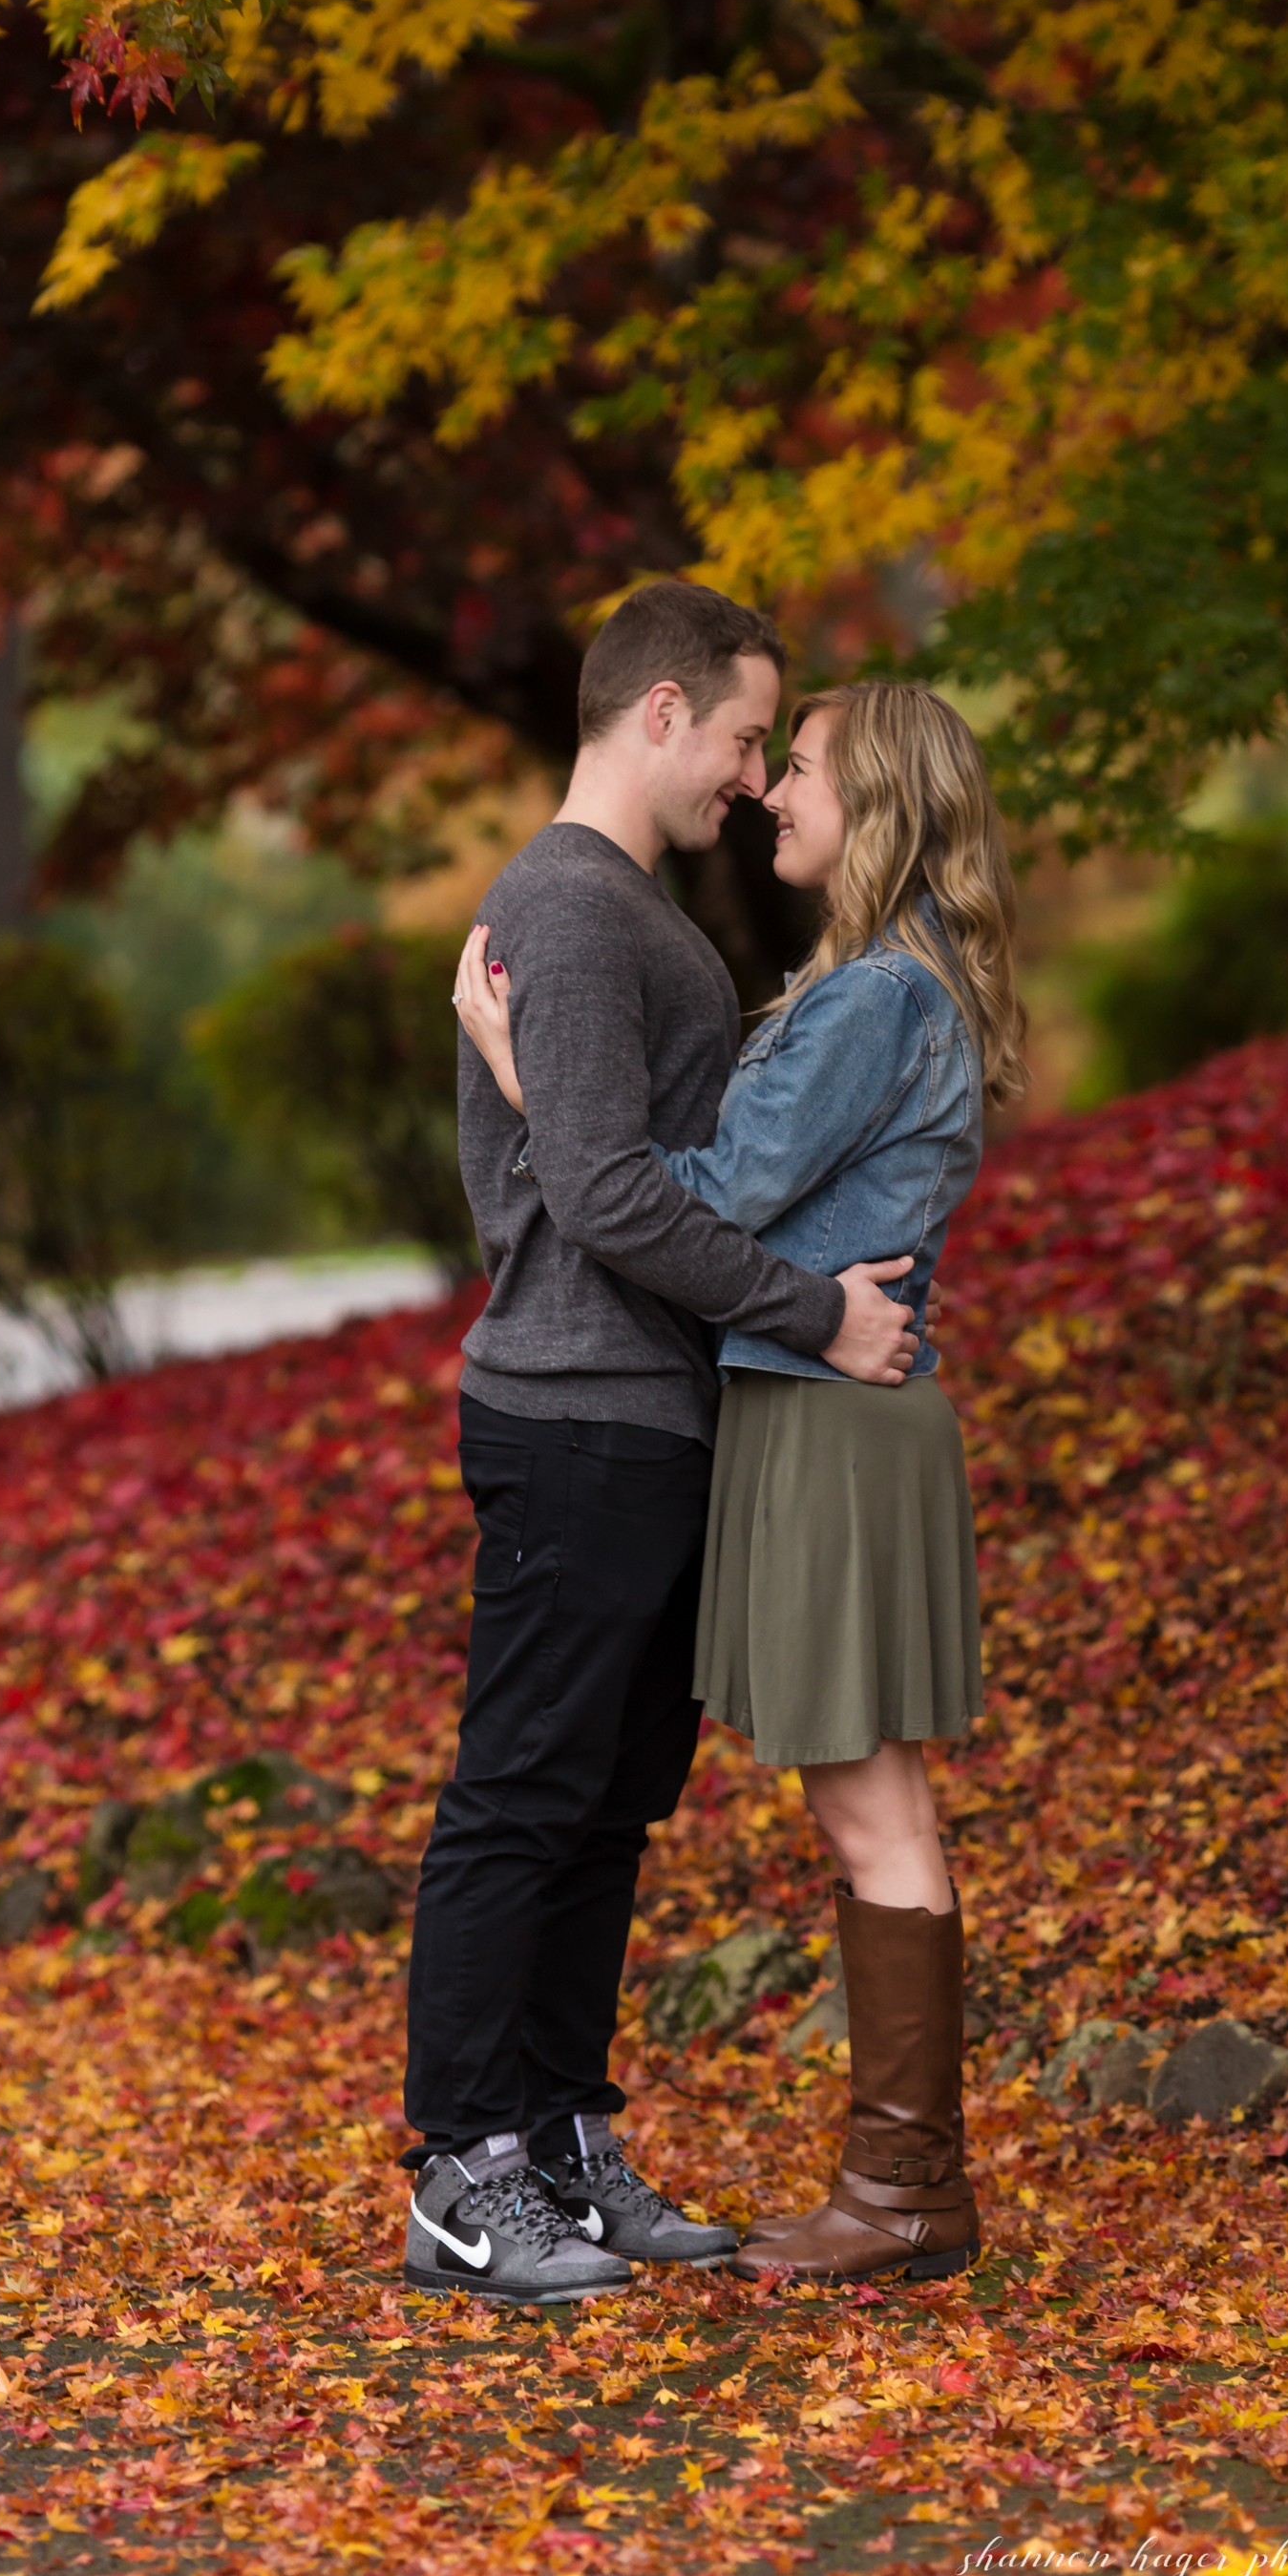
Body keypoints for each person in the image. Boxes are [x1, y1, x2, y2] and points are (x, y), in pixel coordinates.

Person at [454, 677, 1026, 2284]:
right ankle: (900, 2187)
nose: (777, 790)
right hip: (828, 1407)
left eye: (811, 767)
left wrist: (525, 1076)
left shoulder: (873, 1003)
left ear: (888, 802)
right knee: (876, 1808)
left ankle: (905, 2192)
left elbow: (694, 1191)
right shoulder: (887, 988)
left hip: (834, 1416)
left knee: (870, 1812)